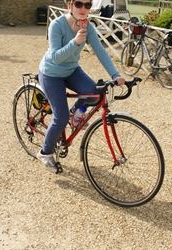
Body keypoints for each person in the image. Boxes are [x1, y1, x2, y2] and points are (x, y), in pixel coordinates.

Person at [37, 0, 126, 173]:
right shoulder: (57, 25)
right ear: (69, 4)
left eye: (88, 5)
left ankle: (73, 113)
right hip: (51, 73)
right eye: (79, 4)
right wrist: (75, 42)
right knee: (60, 119)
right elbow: (55, 57)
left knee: (95, 94)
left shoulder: (88, 27)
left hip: (71, 70)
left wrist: (115, 75)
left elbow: (100, 51)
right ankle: (45, 153)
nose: (83, 9)